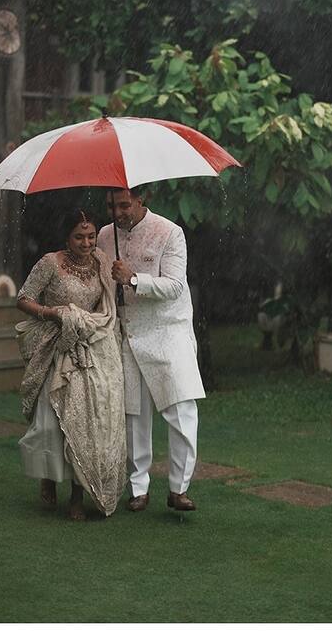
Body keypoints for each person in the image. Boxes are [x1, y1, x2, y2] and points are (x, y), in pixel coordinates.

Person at [98, 187, 206, 512]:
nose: (118, 212)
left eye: (123, 204)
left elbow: (175, 286)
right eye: (111, 206)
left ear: (141, 199)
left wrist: (133, 280)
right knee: (134, 414)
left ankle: (179, 489)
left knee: (182, 410)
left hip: (167, 329)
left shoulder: (170, 231)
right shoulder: (104, 235)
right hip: (127, 330)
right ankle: (138, 488)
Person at [16, 208, 127, 521]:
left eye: (91, 236)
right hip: (55, 345)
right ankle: (49, 478)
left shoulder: (103, 263)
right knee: (51, 422)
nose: (87, 242)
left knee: (87, 421)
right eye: (79, 236)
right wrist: (53, 314)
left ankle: (79, 494)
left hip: (89, 346)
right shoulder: (51, 263)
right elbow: (23, 298)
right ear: (67, 237)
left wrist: (121, 276)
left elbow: (106, 307)